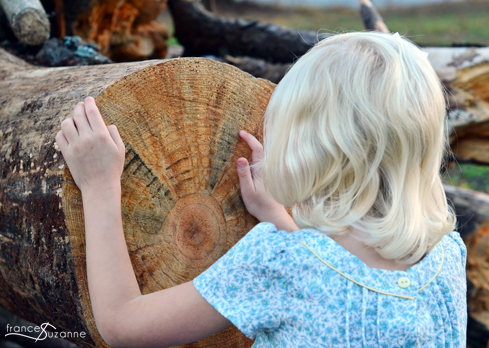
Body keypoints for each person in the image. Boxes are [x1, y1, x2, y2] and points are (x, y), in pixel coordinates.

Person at [55, 31, 467, 347]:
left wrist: (98, 187)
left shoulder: (277, 262)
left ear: (309, 148)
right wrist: (276, 215)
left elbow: (122, 323)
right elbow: (339, 286)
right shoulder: (447, 257)